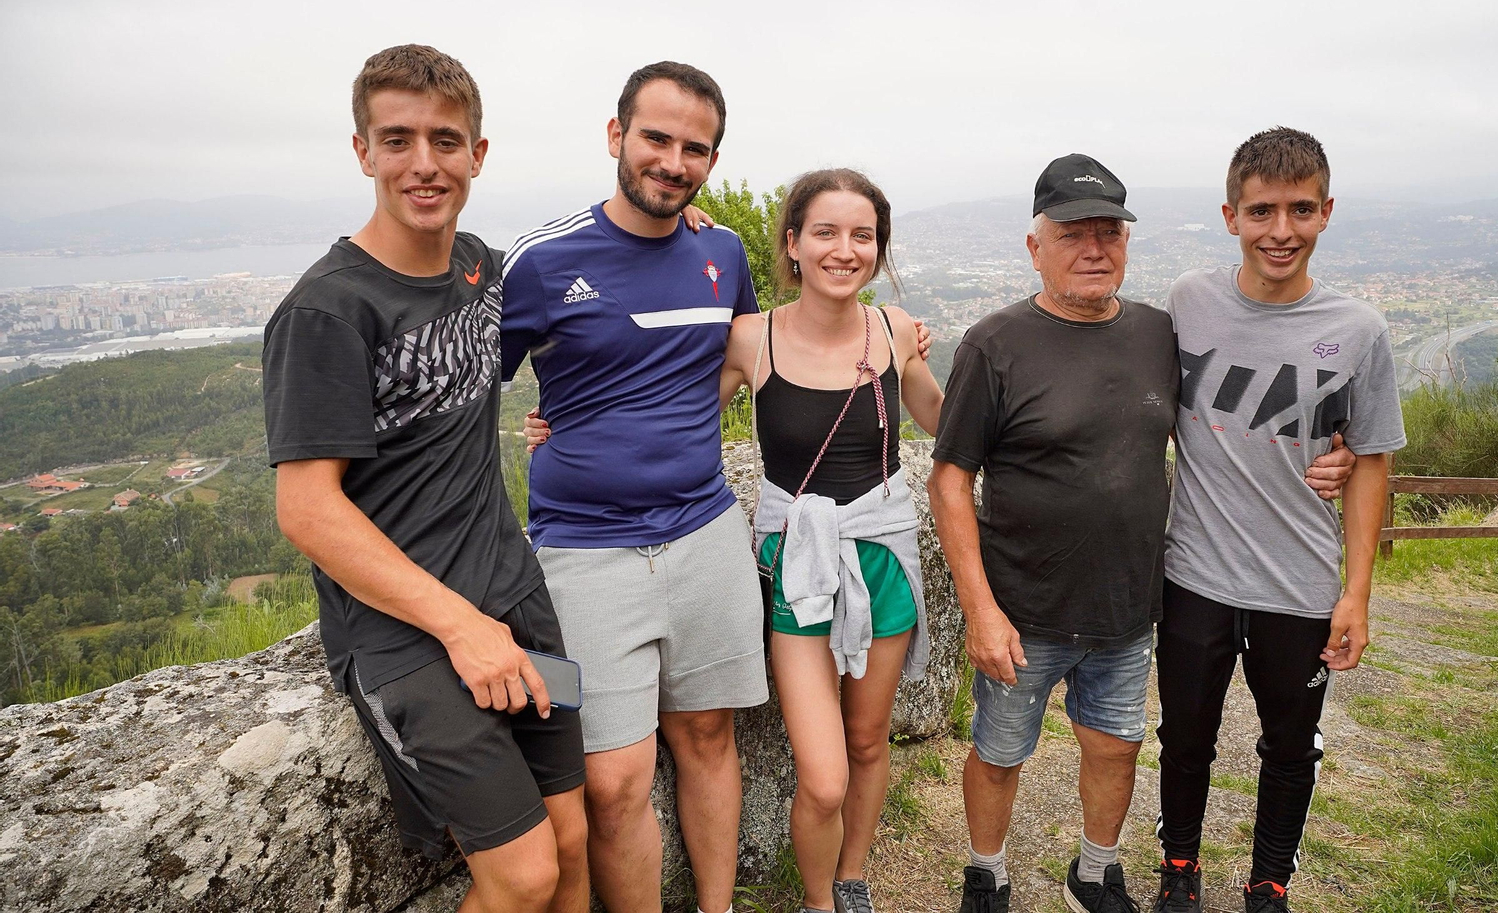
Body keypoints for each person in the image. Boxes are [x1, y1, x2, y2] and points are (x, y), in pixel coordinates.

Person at [927, 155, 1355, 913]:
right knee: (999, 752)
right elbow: (950, 479)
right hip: (1022, 608)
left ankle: (1096, 872)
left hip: (1130, 607)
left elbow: (1246, 404)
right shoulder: (994, 344)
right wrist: (981, 610)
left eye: (1109, 233)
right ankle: (985, 875)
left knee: (1115, 747)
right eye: (1072, 234)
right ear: (1035, 246)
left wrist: (1340, 443)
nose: (1094, 249)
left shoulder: (1160, 331)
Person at [265, 44, 587, 913]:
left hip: (516, 598)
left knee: (575, 837)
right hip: (410, 636)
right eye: (397, 138)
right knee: (522, 877)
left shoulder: (478, 266)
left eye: (446, 141)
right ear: (363, 149)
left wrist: (686, 223)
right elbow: (305, 509)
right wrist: (460, 628)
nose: (423, 164)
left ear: (478, 155)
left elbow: (592, 278)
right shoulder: (328, 310)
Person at [499, 62, 766, 913]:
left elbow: (741, 356)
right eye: (656, 138)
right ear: (616, 137)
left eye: (696, 148)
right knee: (612, 781)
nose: (674, 161)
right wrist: (541, 432)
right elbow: (469, 400)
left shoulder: (723, 251)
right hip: (583, 553)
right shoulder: (542, 260)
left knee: (708, 736)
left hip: (706, 534)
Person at [1150, 128, 1405, 913]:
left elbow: (1371, 464)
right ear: (1231, 216)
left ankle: (1270, 884)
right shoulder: (1189, 301)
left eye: (1300, 210)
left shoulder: (1360, 331)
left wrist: (1355, 593)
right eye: (1262, 211)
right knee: (1185, 741)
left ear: (1327, 212)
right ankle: (1180, 870)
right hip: (1193, 574)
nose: (1281, 231)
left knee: (1290, 748)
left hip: (1298, 584)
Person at [718, 169, 944, 913]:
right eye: (825, 232)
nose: (844, 250)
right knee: (823, 775)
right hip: (799, 564)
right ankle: (818, 902)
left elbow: (946, 422)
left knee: (869, 740)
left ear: (878, 251)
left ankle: (850, 878)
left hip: (882, 555)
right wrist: (559, 427)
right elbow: (670, 415)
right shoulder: (754, 338)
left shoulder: (896, 330)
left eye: (862, 236)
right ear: (791, 243)